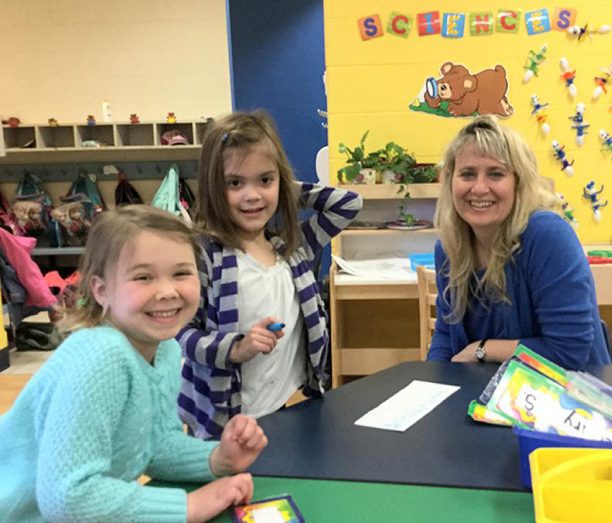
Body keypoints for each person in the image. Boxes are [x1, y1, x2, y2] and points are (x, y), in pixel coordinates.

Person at [0, 205, 268, 523]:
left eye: (181, 272)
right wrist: (188, 507)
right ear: (101, 290)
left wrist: (217, 459)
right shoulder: (101, 357)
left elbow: (154, 445)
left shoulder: (165, 348)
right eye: (143, 277)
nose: (167, 291)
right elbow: (68, 497)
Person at [178, 111, 362, 439]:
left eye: (265, 179)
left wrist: (280, 188)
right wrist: (236, 348)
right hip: (225, 424)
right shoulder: (203, 254)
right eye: (235, 183)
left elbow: (348, 204)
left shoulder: (293, 246)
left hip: (289, 410)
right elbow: (183, 333)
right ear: (213, 187)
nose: (252, 195)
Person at [427, 115, 610, 369]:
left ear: (518, 182)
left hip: (563, 395)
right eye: (467, 174)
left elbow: (568, 352)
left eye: (495, 174)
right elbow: (446, 335)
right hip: (484, 394)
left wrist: (482, 349)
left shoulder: (547, 236)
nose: (479, 188)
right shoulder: (449, 247)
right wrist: (431, 381)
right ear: (449, 182)